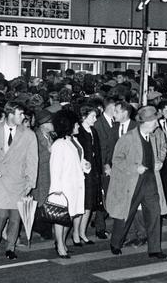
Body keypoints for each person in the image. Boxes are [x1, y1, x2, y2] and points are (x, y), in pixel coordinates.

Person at [107, 106, 167, 260]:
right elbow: (117, 160)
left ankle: (154, 249)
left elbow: (160, 151)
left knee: (154, 214)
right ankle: (115, 243)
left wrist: (159, 162)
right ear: (147, 122)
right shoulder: (128, 138)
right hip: (132, 183)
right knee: (126, 214)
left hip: (151, 182)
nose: (157, 123)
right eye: (155, 121)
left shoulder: (154, 136)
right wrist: (135, 168)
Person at [0, 102, 38, 260]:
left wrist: (31, 181)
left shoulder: (28, 134)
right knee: (1, 215)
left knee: (16, 217)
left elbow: (32, 159)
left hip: (18, 180)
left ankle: (10, 247)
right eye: (20, 114)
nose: (23, 117)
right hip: (0, 179)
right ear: (10, 114)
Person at [48, 109, 91, 259]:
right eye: (76, 124)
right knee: (62, 219)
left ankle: (62, 243)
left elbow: (78, 160)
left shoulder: (73, 141)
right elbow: (55, 169)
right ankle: (60, 245)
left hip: (75, 185)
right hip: (64, 188)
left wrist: (84, 165)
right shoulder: (59, 144)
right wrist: (57, 191)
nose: (78, 126)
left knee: (70, 217)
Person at [92, 97, 118, 239]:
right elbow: (100, 148)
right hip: (104, 167)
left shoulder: (115, 123)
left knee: (111, 195)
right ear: (110, 108)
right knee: (104, 197)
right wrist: (105, 166)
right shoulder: (99, 124)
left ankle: (97, 220)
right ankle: (100, 227)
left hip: (115, 165)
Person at [76, 105, 102, 245]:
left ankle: (82, 232)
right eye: (92, 116)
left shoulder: (93, 131)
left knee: (89, 204)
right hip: (82, 173)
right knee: (82, 203)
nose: (95, 119)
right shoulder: (78, 131)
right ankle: (77, 232)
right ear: (84, 116)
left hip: (93, 172)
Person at [31, 109, 54, 240]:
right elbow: (35, 157)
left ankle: (44, 229)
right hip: (40, 175)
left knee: (46, 201)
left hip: (49, 174)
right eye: (51, 122)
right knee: (41, 202)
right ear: (44, 124)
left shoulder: (50, 135)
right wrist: (50, 152)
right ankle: (42, 229)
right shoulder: (36, 137)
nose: (53, 124)